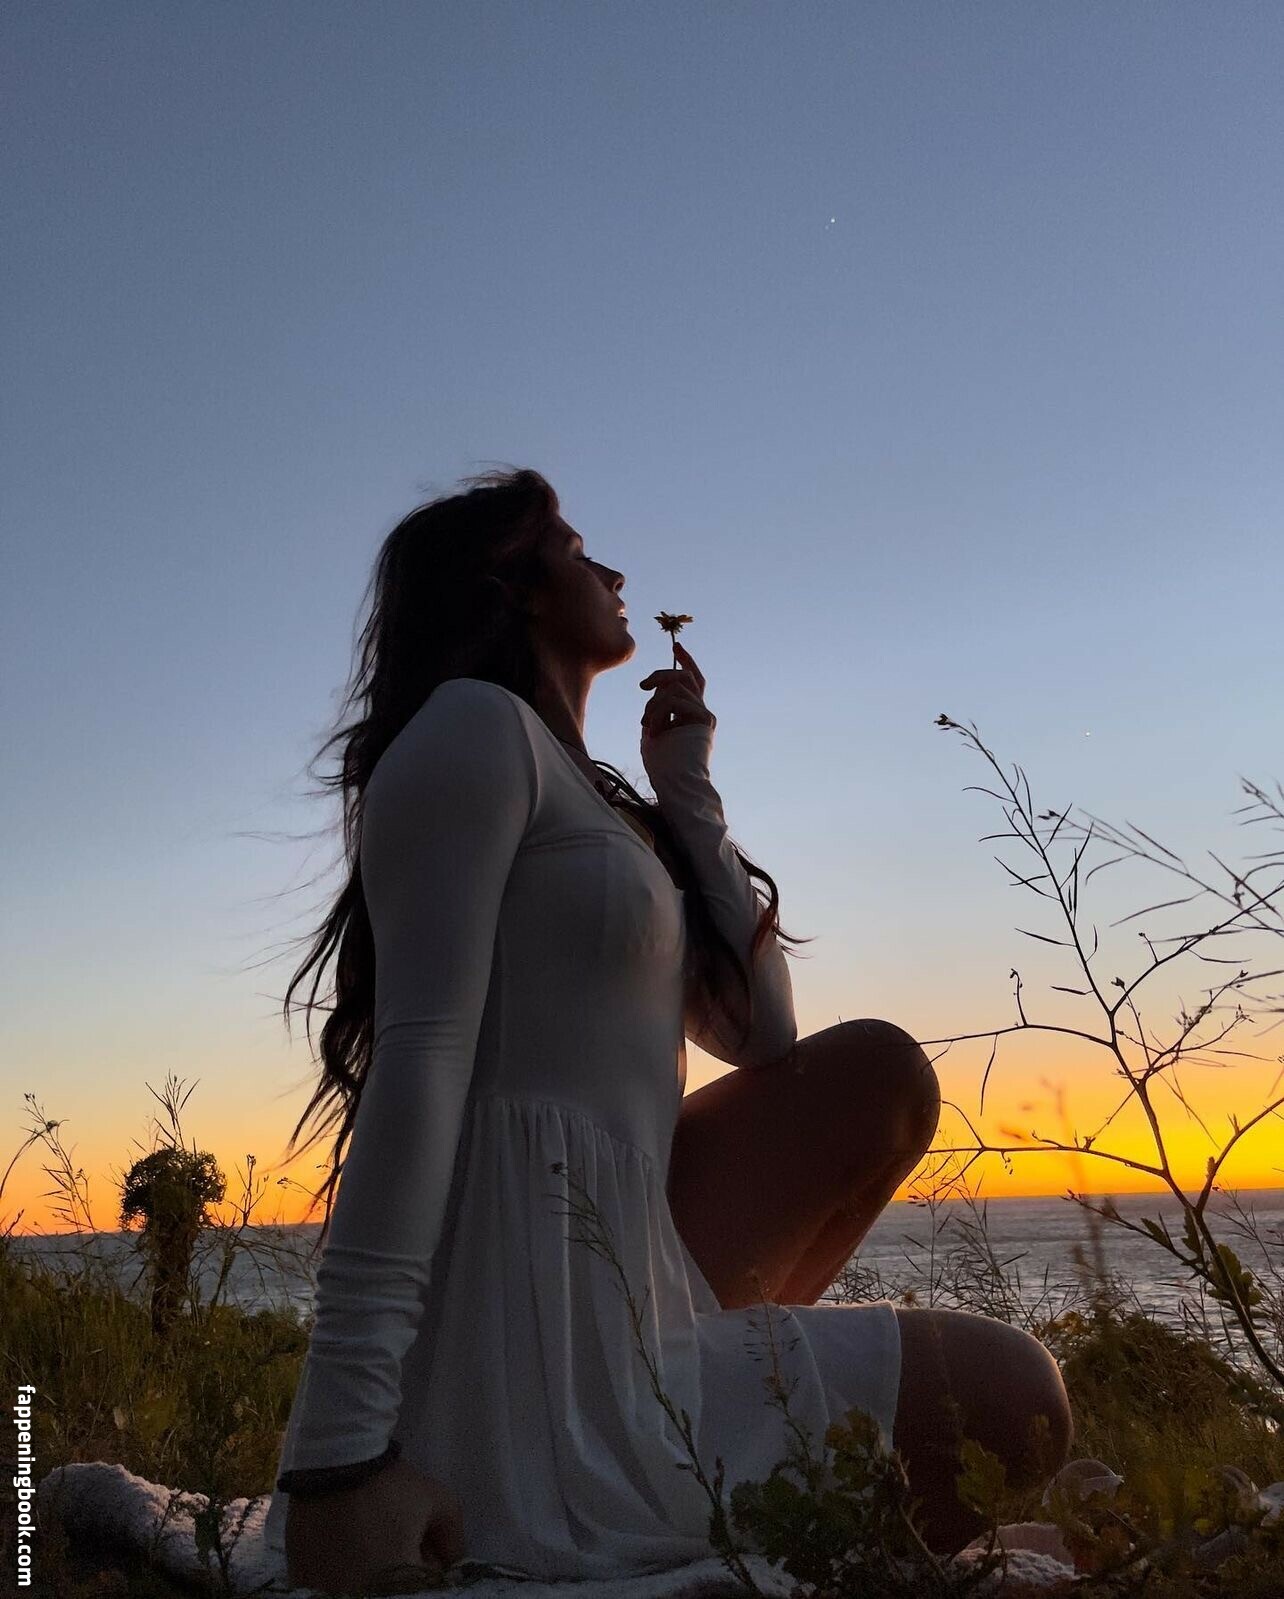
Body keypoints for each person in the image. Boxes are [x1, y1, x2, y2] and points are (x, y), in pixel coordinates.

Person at [265, 468, 1072, 1592]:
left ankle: (724, 1419)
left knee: (879, 1077)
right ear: (513, 584)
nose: (612, 571)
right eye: (575, 548)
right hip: (525, 1298)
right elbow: (420, 1057)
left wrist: (686, 786)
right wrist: (339, 1458)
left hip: (633, 1259)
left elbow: (767, 1040)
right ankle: (672, 1473)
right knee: (1018, 1400)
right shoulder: (472, 728)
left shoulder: (603, 807)